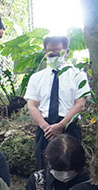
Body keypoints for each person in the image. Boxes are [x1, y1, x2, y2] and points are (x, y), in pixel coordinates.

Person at [25, 35, 90, 169]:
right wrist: (45, 127)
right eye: (51, 54)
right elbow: (32, 106)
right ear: (45, 53)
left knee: (72, 166)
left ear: (66, 52)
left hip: (69, 126)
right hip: (45, 128)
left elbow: (80, 104)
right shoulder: (36, 78)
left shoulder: (78, 75)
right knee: (44, 168)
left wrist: (61, 125)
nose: (55, 56)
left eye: (58, 53)